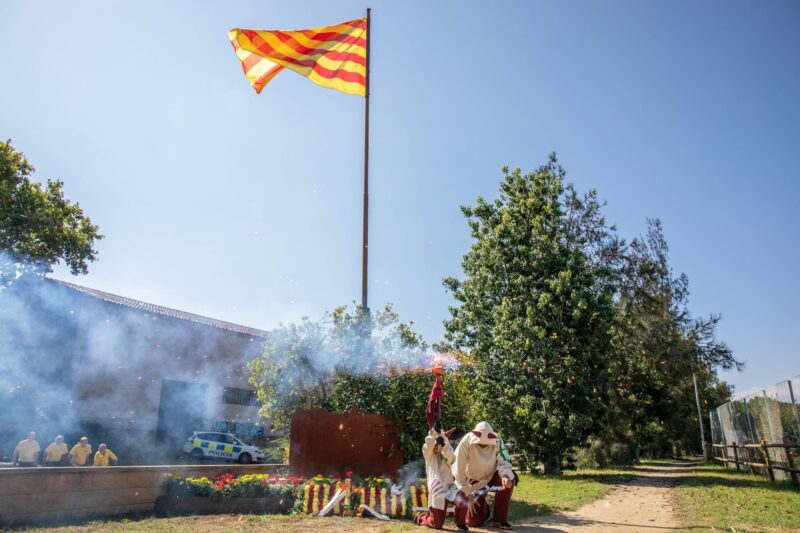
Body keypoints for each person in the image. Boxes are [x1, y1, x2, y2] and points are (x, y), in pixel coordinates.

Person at [452, 421, 516, 531]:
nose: (483, 445)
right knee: (473, 522)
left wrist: (505, 475)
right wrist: (467, 491)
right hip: (473, 480)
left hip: (491, 475)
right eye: (480, 443)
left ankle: (499, 519)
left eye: (486, 444)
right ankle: (484, 509)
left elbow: (504, 460)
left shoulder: (497, 439)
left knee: (510, 478)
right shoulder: (467, 440)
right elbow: (458, 468)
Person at [415, 422, 456, 529]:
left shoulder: (447, 448)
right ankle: (421, 518)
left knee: (466, 497)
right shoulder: (427, 450)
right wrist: (434, 437)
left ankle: (462, 522)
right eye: (436, 443)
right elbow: (428, 447)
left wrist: (444, 445)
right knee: (437, 524)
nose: (436, 447)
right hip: (437, 490)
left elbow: (451, 460)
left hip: (451, 486)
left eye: (439, 442)